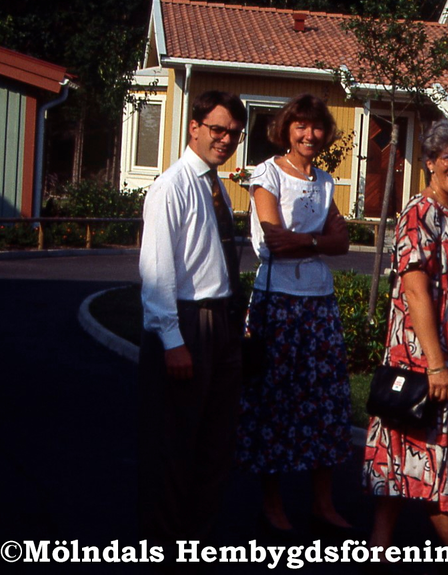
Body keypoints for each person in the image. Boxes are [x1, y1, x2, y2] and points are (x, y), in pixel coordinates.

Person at [362, 121, 448, 567]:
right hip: (422, 354)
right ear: (429, 162)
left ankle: (382, 541)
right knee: (412, 442)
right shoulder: (419, 212)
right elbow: (415, 289)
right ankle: (442, 545)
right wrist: (436, 364)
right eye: (447, 157)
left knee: (427, 447)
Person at [236, 93, 353, 535]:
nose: (309, 134)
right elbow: (274, 240)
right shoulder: (266, 173)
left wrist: (313, 243)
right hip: (278, 299)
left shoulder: (325, 181)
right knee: (276, 399)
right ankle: (273, 504)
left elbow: (341, 243)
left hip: (319, 300)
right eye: (300, 125)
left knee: (324, 400)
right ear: (286, 128)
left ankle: (323, 503)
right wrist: (321, 241)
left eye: (317, 126)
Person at [138, 90, 247, 550]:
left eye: (234, 134)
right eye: (217, 129)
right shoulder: (172, 186)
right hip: (186, 325)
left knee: (214, 445)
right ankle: (165, 545)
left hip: (219, 324)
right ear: (194, 127)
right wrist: (172, 340)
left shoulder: (215, 184)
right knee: (175, 446)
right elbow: (157, 270)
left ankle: (198, 542)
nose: (225, 140)